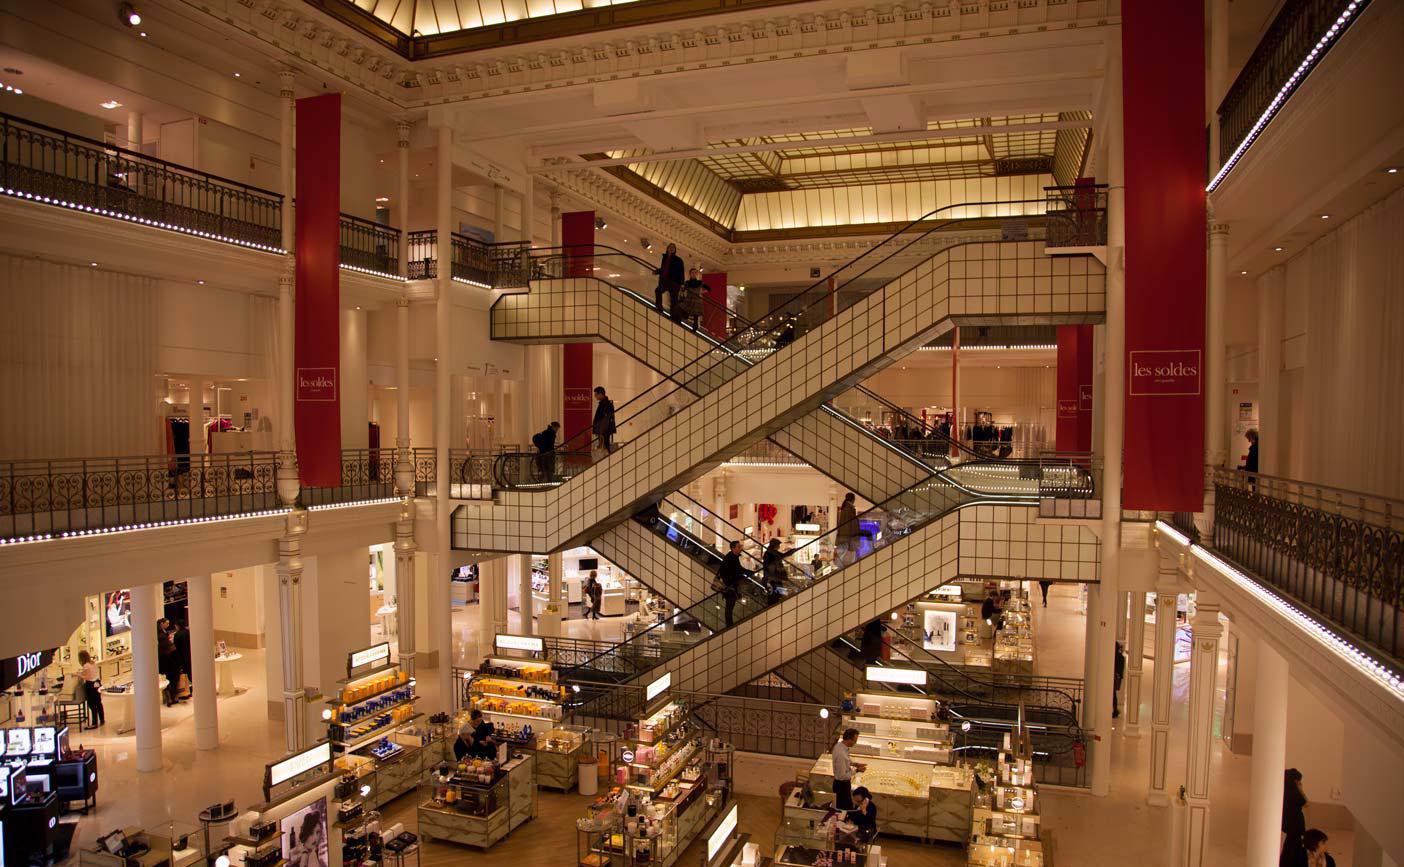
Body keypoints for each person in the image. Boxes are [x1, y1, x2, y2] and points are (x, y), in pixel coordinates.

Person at [830, 728, 866, 810]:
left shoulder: (840, 745)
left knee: (846, 806)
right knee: (844, 809)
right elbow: (842, 776)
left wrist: (855, 764)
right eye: (854, 740)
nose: (855, 743)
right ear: (849, 739)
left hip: (841, 785)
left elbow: (847, 759)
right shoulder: (841, 755)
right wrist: (857, 770)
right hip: (841, 786)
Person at [717, 540, 748, 627]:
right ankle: (729, 625)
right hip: (730, 587)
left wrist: (747, 572)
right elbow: (726, 572)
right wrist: (731, 583)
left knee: (730, 605)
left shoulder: (733, 557)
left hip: (731, 586)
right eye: (738, 547)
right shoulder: (730, 558)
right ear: (733, 548)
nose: (740, 549)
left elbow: (739, 569)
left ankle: (729, 625)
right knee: (730, 605)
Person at [653, 242, 684, 317]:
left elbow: (681, 271)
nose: (671, 248)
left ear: (675, 250)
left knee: (674, 300)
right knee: (658, 290)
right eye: (670, 247)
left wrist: (681, 283)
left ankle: (673, 315)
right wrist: (657, 271)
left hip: (674, 282)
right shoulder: (665, 257)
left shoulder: (678, 260)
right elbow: (664, 269)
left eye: (673, 247)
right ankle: (659, 307)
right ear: (667, 249)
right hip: (665, 280)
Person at [77, 650, 106, 728]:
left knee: (92, 704)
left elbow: (86, 676)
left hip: (91, 685)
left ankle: (94, 723)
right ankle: (102, 719)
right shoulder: (93, 663)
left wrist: (78, 674)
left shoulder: (86, 666)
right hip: (97, 683)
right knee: (98, 702)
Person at [1282, 768, 1308, 854]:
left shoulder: (1284, 790)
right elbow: (1306, 803)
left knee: (1290, 842)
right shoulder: (1294, 792)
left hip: (1289, 822)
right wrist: (1300, 789)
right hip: (1295, 822)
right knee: (1294, 843)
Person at [157, 619, 181, 707]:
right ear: (161, 624)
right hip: (169, 663)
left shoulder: (163, 636)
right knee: (171, 680)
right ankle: (171, 697)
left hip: (169, 663)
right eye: (166, 623)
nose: (168, 624)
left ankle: (171, 697)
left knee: (171, 680)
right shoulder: (162, 638)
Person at [835, 492, 858, 566]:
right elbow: (853, 525)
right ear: (853, 499)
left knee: (842, 560)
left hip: (842, 537)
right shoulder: (850, 509)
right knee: (849, 561)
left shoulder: (843, 508)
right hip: (848, 538)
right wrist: (856, 538)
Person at [762, 539, 787, 605]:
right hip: (773, 578)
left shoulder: (772, 552)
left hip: (775, 578)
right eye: (778, 545)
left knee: (777, 594)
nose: (779, 546)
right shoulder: (770, 553)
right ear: (775, 545)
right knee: (775, 595)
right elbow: (768, 566)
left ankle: (774, 607)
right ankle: (773, 609)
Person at [592, 386, 616, 454]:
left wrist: (599, 428)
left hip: (603, 429)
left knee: (605, 444)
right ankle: (607, 458)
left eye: (596, 394)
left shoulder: (606, 404)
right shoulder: (603, 403)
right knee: (604, 444)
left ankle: (607, 459)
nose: (595, 396)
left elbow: (606, 418)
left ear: (601, 394)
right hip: (602, 429)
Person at [1112, 640, 1126, 718]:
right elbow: (1121, 671)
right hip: (1117, 678)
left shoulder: (1113, 656)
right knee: (1114, 694)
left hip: (1113, 678)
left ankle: (1115, 711)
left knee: (1113, 694)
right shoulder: (1121, 657)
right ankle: (1115, 710)